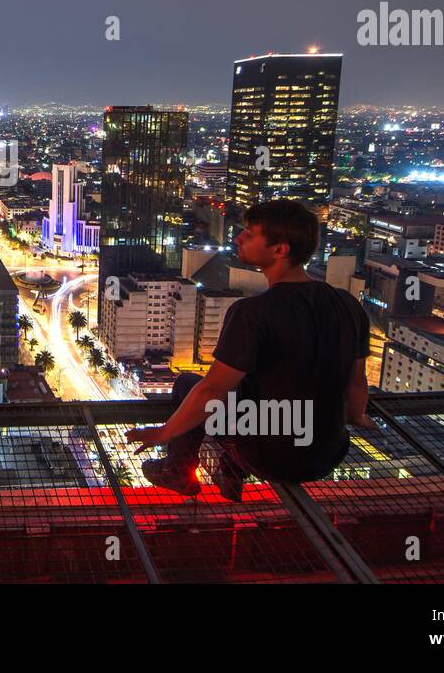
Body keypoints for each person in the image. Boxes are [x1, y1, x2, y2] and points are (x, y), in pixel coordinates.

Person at [125, 199, 373, 501]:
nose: (238, 238)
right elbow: (357, 383)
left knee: (189, 383)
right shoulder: (348, 305)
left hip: (266, 456)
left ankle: (179, 470)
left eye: (249, 234)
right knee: (252, 392)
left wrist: (163, 432)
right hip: (328, 454)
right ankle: (229, 472)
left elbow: (210, 392)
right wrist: (357, 417)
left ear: (280, 249)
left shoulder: (253, 312)